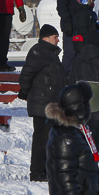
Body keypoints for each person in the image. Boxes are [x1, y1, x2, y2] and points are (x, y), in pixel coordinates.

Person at [18, 24, 65, 182]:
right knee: (41, 139)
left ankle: (45, 170)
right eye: (55, 37)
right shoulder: (39, 51)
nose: (58, 40)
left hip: (50, 104)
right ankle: (37, 172)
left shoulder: (51, 54)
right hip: (42, 104)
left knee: (48, 139)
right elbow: (26, 75)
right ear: (46, 38)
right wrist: (25, 92)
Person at [55, 0, 86, 70]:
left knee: (81, 54)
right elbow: (61, 7)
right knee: (70, 54)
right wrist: (67, 21)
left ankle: (78, 77)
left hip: (81, 25)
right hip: (71, 26)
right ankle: (66, 78)